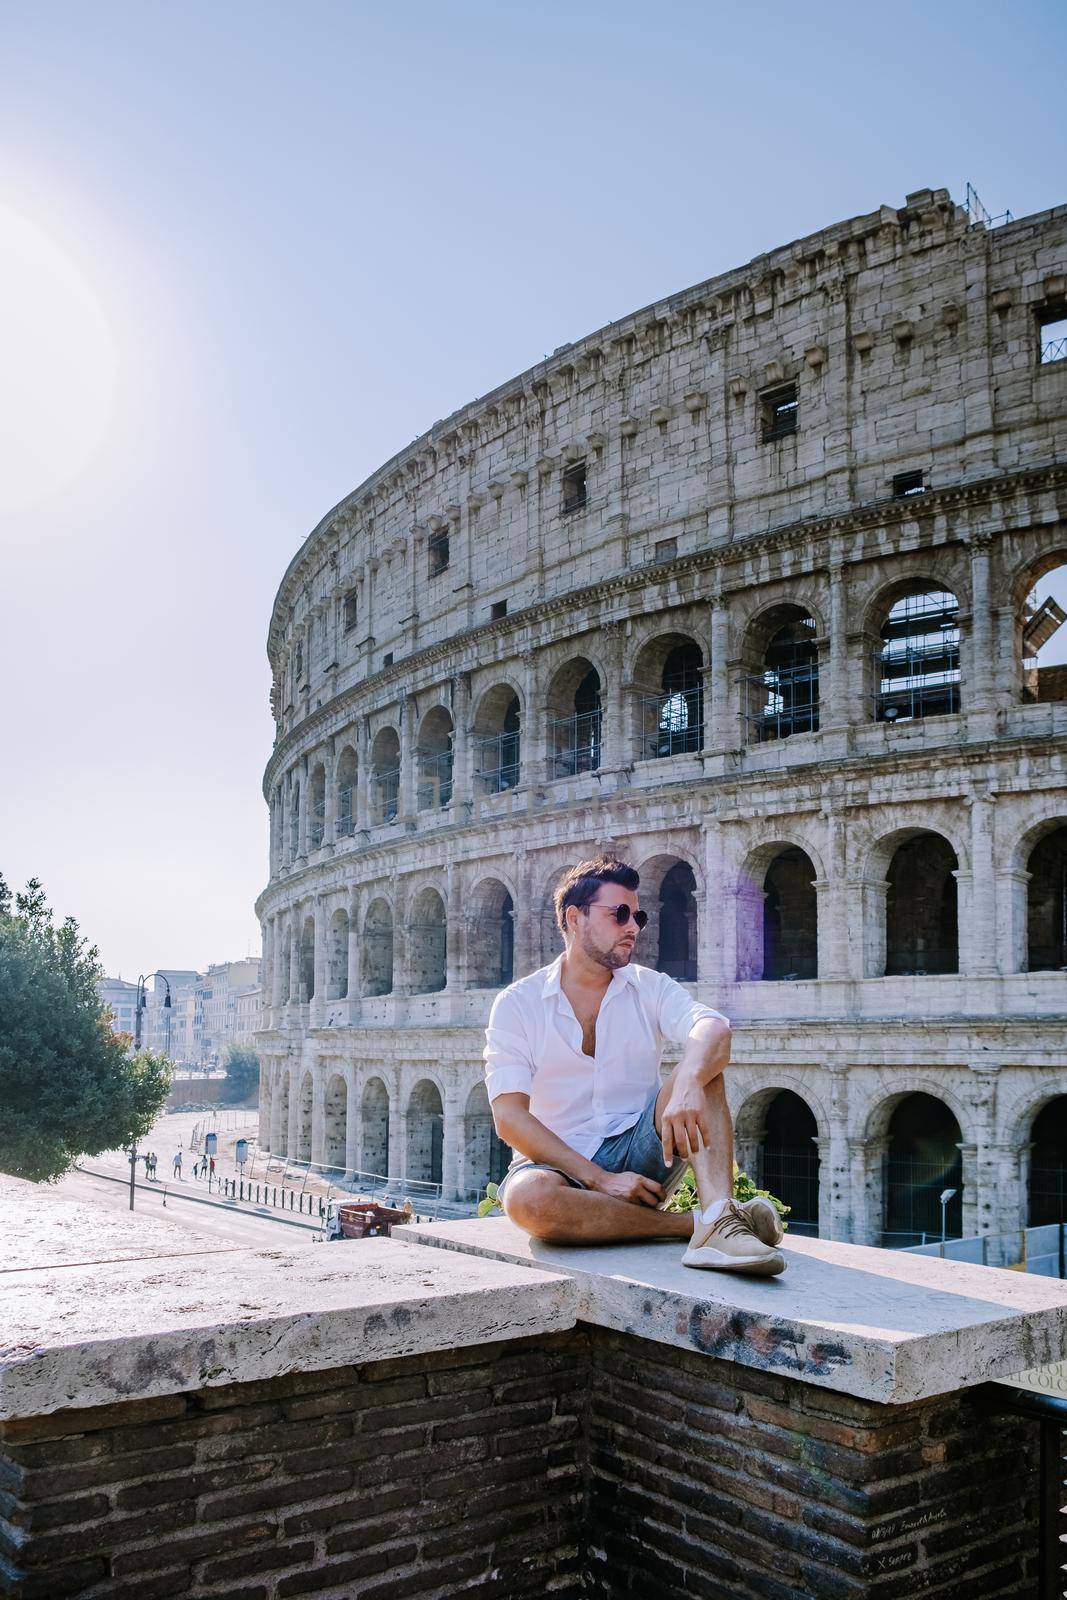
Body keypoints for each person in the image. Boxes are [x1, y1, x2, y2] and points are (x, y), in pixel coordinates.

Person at [484, 856, 785, 1276]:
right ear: (574, 918)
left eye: (637, 915)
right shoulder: (518, 1003)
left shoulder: (649, 986)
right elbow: (509, 1117)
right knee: (526, 1201)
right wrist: (597, 1179)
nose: (633, 927)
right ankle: (703, 1226)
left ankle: (717, 1212)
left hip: (642, 1150)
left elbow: (714, 1028)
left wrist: (687, 1084)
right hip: (556, 1165)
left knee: (703, 1067)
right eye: (619, 914)